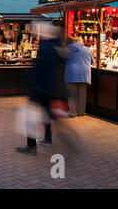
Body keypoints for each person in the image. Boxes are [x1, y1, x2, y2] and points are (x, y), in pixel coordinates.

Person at [16, 23, 63, 155]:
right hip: (50, 88)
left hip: (40, 88)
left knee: (30, 117)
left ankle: (31, 146)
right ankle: (48, 138)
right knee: (47, 114)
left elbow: (39, 71)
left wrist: (33, 91)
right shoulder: (56, 47)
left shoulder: (45, 47)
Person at [65, 36, 94, 117]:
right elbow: (92, 61)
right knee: (82, 94)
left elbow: (63, 60)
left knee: (72, 94)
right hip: (84, 74)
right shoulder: (87, 50)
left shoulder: (68, 50)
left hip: (71, 74)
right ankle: (81, 112)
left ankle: (72, 112)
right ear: (81, 41)